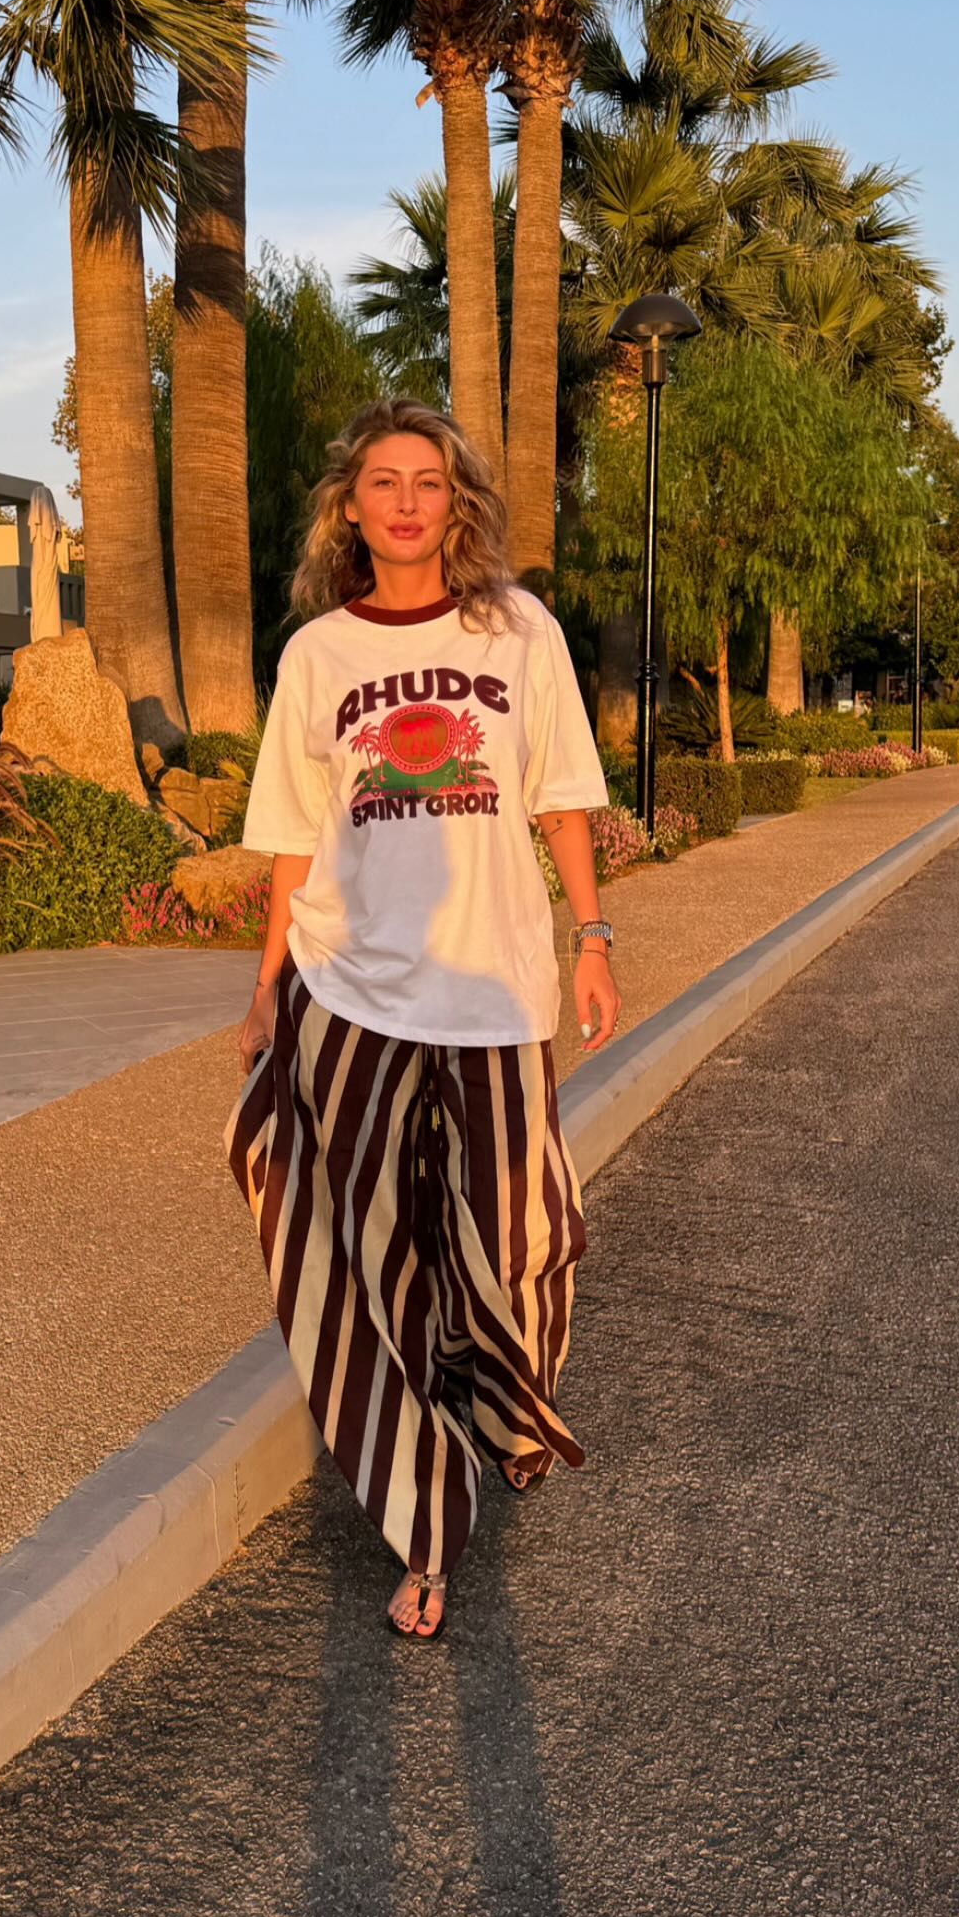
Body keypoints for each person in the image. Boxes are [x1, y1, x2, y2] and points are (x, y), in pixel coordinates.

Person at [223, 399, 621, 1643]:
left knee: (518, 1233)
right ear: (350, 506)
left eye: (429, 482)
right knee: (372, 1254)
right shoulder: (317, 655)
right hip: (348, 990)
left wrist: (593, 936)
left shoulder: (520, 631)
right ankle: (425, 1526)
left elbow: (561, 798)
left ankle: (504, 1407)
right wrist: (266, 983)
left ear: (458, 506)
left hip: (494, 989)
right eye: (384, 481)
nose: (406, 501)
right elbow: (295, 837)